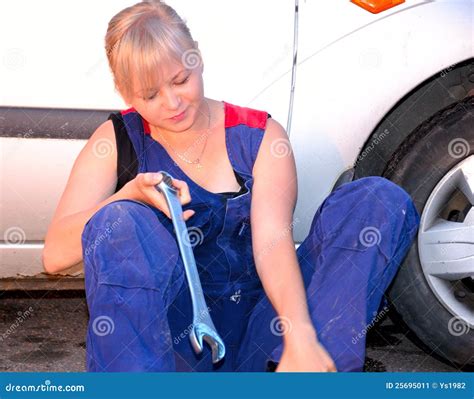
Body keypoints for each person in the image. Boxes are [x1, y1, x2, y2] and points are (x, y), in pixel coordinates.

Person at [42, 0, 420, 372]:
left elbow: (273, 243)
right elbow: (55, 256)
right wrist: (127, 196)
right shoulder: (114, 142)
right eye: (151, 95)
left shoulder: (259, 137)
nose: (173, 102)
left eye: (180, 80)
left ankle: (310, 372)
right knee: (120, 221)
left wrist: (299, 336)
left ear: (197, 59)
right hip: (170, 348)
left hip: (266, 332)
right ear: (125, 93)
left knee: (377, 201)